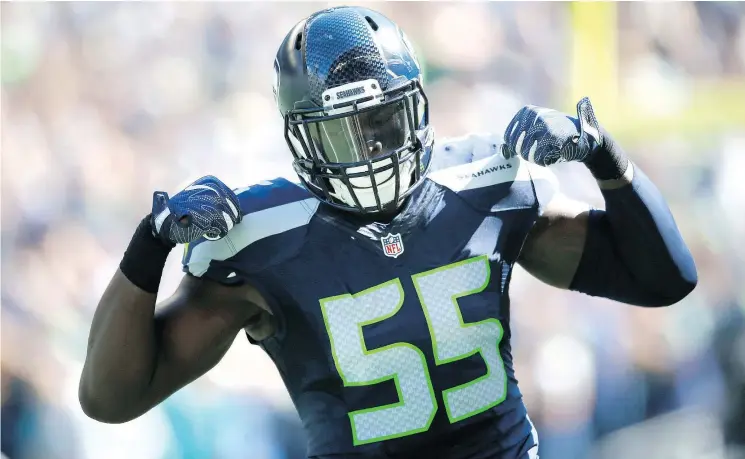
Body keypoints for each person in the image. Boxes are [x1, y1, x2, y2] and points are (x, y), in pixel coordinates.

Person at [79, 6, 698, 459]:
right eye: (342, 132)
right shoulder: (260, 240)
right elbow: (110, 400)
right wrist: (149, 244)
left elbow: (665, 280)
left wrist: (602, 154)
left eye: (381, 121)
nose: (368, 150)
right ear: (300, 135)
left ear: (417, 105)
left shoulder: (485, 183)